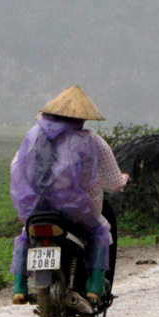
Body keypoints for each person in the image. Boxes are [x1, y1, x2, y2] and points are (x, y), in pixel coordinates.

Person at [9, 85, 128, 304]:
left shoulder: (33, 136)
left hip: (35, 207)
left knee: (26, 234)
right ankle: (94, 287)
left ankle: (19, 286)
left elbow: (17, 167)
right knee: (99, 232)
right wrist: (123, 180)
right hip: (76, 210)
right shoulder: (91, 140)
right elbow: (112, 182)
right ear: (82, 118)